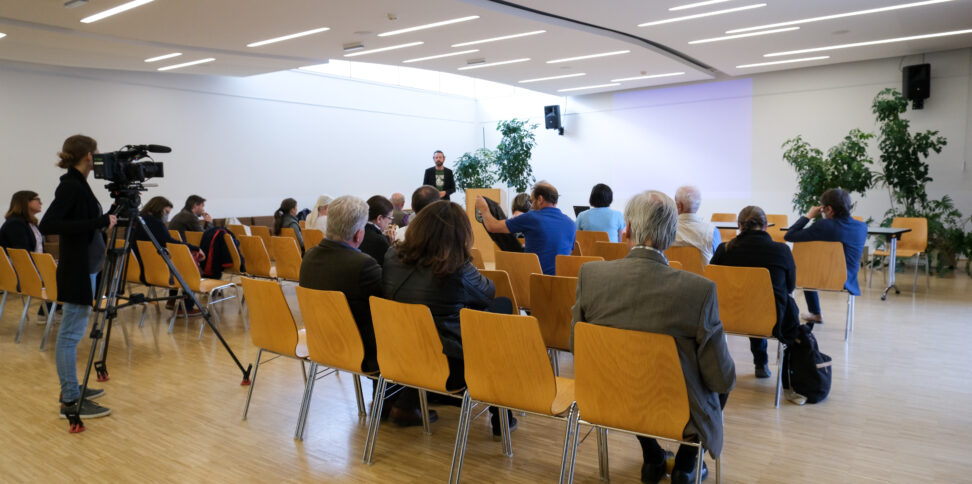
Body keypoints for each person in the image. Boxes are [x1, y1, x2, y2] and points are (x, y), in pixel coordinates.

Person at [571, 190, 735, 484]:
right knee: (720, 375)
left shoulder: (590, 276)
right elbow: (721, 379)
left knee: (631, 372)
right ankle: (686, 465)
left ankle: (653, 457)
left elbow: (578, 347)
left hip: (609, 399)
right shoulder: (699, 290)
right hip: (674, 409)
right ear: (672, 235)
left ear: (628, 231)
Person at [382, 200, 513, 432]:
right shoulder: (456, 268)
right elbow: (488, 292)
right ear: (460, 235)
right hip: (448, 367)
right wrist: (464, 259)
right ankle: (501, 415)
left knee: (436, 327)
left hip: (399, 355)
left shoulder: (392, 256)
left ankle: (408, 402)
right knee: (499, 310)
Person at [39, 134, 117, 422]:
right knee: (70, 336)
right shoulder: (71, 185)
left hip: (87, 267)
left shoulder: (79, 184)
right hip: (78, 270)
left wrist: (107, 216)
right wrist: (98, 222)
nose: (99, 157)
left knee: (73, 332)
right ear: (88, 156)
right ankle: (70, 399)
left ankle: (73, 388)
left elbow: (85, 223)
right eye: (97, 153)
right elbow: (50, 224)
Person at [710, 206, 800, 390]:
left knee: (749, 301)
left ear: (739, 226)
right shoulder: (781, 251)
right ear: (766, 226)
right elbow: (790, 287)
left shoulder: (723, 250)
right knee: (765, 302)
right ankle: (765, 365)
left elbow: (713, 282)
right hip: (771, 321)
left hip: (726, 317)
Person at [299, 196, 381, 373]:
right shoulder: (363, 265)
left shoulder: (309, 257)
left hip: (320, 343)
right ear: (359, 234)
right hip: (362, 351)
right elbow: (389, 303)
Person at [783, 188, 867, 324]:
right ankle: (815, 314)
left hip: (817, 277)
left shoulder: (824, 226)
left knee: (807, 269)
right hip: (846, 279)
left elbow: (789, 235)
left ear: (829, 209)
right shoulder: (862, 227)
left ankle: (816, 313)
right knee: (812, 267)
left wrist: (808, 216)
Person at [476, 181, 575, 275]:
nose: (532, 205)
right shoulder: (571, 224)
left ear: (540, 199)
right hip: (561, 284)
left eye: (532, 201)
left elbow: (492, 226)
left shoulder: (532, 217)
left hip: (532, 280)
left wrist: (484, 209)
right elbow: (559, 251)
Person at [134, 196, 202, 316]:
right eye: (166, 212)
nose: (166, 216)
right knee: (190, 269)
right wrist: (195, 248)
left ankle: (172, 300)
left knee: (176, 264)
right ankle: (186, 307)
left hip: (138, 268)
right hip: (157, 272)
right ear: (157, 209)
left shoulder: (137, 221)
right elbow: (170, 242)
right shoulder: (156, 224)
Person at [671, 185, 721, 266]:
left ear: (678, 205)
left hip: (672, 277)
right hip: (702, 277)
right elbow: (718, 262)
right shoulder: (711, 231)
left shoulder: (665, 230)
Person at [359, 196, 396, 266]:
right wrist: (391, 245)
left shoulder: (356, 231)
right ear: (379, 218)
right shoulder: (380, 240)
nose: (390, 222)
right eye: (390, 218)